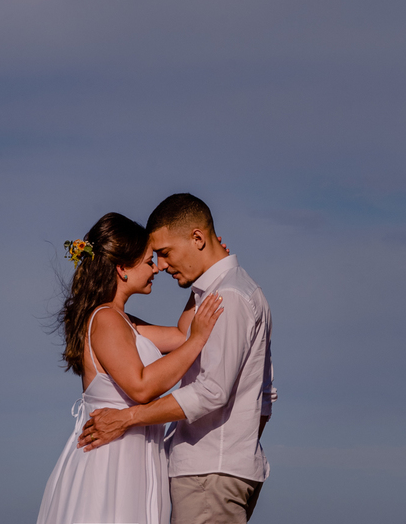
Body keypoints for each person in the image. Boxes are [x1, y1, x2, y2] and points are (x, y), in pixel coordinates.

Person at [81, 194, 275, 524]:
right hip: (195, 467)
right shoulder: (231, 292)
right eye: (152, 258)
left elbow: (211, 389)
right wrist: (239, 447)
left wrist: (127, 419)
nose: (160, 265)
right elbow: (264, 397)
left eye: (165, 253)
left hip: (207, 472)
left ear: (197, 238)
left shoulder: (227, 296)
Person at [37, 212, 224, 524]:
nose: (156, 269)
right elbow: (141, 386)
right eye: (149, 262)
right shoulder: (106, 319)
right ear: (122, 268)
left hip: (133, 454)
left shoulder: (123, 321)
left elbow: (180, 335)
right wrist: (199, 340)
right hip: (113, 461)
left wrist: (206, 271)